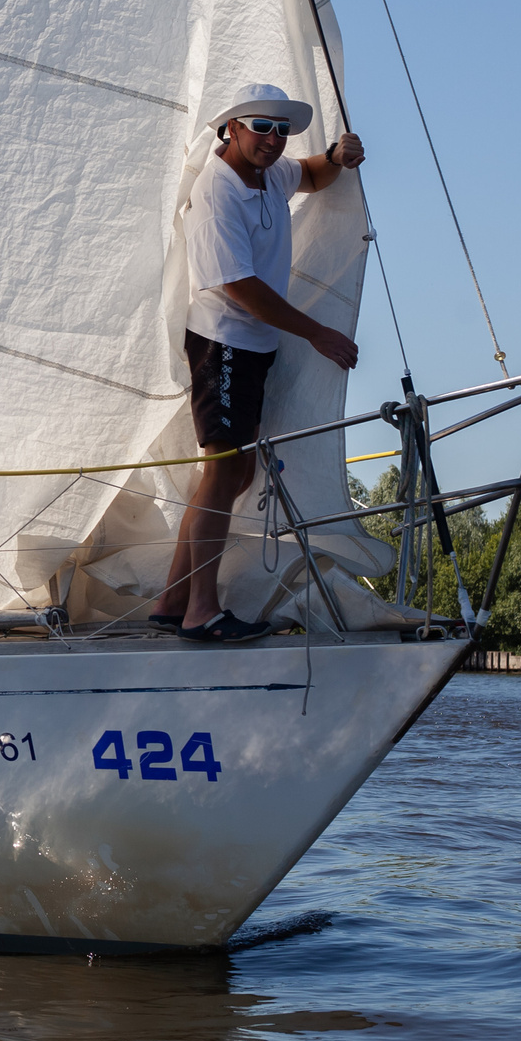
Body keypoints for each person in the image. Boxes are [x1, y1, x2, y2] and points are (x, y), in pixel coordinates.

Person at [151, 82, 365, 642]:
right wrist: (317, 332)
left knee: (236, 472)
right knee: (224, 471)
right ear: (233, 128)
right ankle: (200, 611)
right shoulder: (218, 193)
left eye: (282, 129)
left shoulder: (271, 173)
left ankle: (172, 601)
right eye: (261, 127)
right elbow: (239, 285)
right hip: (223, 343)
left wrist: (338, 157)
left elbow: (313, 174)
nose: (273, 140)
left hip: (254, 348)